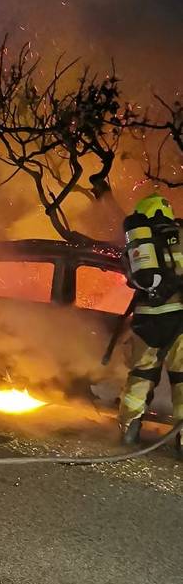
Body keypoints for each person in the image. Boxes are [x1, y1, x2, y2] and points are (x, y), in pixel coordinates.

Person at [118, 193, 183, 452]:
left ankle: (129, 431)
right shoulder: (180, 236)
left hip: (146, 320)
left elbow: (131, 278)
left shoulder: (138, 243)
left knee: (141, 376)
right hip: (179, 319)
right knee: (181, 379)